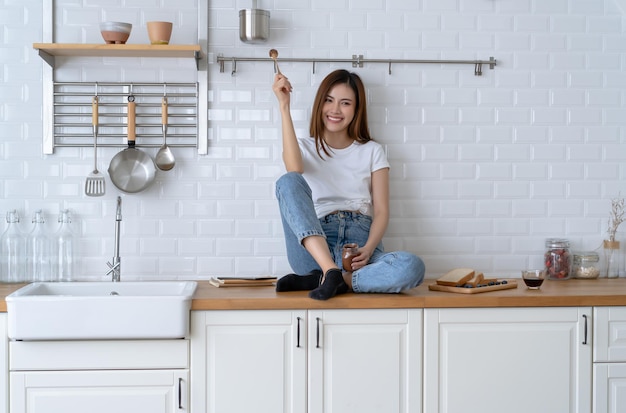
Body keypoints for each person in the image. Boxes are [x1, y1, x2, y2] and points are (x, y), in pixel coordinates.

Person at [272, 69, 425, 300]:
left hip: (360, 246)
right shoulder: (303, 147)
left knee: (413, 267)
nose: (335, 110)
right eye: (329, 101)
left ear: (356, 109)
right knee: (288, 181)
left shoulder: (372, 151)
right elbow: (294, 170)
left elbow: (382, 211)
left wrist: (370, 248)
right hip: (314, 247)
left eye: (345, 103)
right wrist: (284, 106)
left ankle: (331, 279)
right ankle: (328, 269)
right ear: (320, 104)